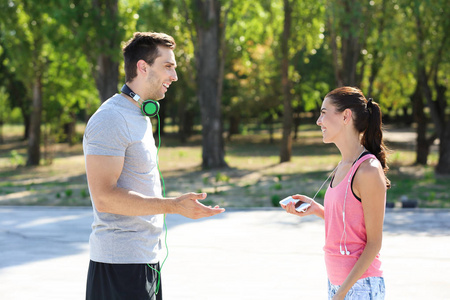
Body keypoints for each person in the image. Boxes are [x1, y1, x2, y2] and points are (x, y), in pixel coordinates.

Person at [83, 32, 225, 300]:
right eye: (168, 67)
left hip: (145, 260)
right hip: (119, 267)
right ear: (142, 66)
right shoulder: (111, 119)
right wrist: (173, 205)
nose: (174, 76)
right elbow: (104, 198)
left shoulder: (139, 116)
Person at [281, 87, 390, 299]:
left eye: (324, 112)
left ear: (346, 116)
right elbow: (350, 222)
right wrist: (317, 210)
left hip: (360, 286)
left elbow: (374, 243)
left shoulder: (368, 170)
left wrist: (341, 293)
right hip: (337, 283)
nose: (318, 121)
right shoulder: (342, 166)